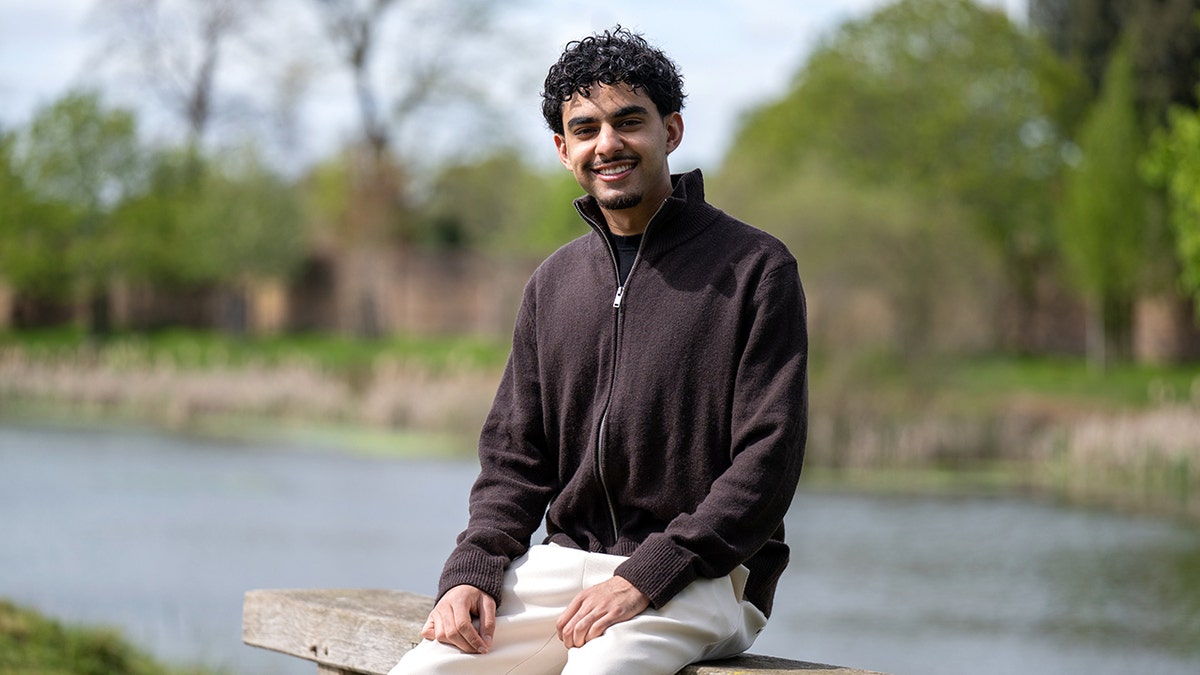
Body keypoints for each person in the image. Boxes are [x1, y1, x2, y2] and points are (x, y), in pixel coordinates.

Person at [389, 26, 807, 675]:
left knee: (599, 671)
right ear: (563, 148)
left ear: (671, 130)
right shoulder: (552, 284)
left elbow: (768, 460)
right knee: (426, 669)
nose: (607, 143)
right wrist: (471, 571)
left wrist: (652, 571)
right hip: (562, 566)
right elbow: (513, 462)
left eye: (628, 121)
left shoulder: (757, 269)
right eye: (585, 129)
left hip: (706, 573)